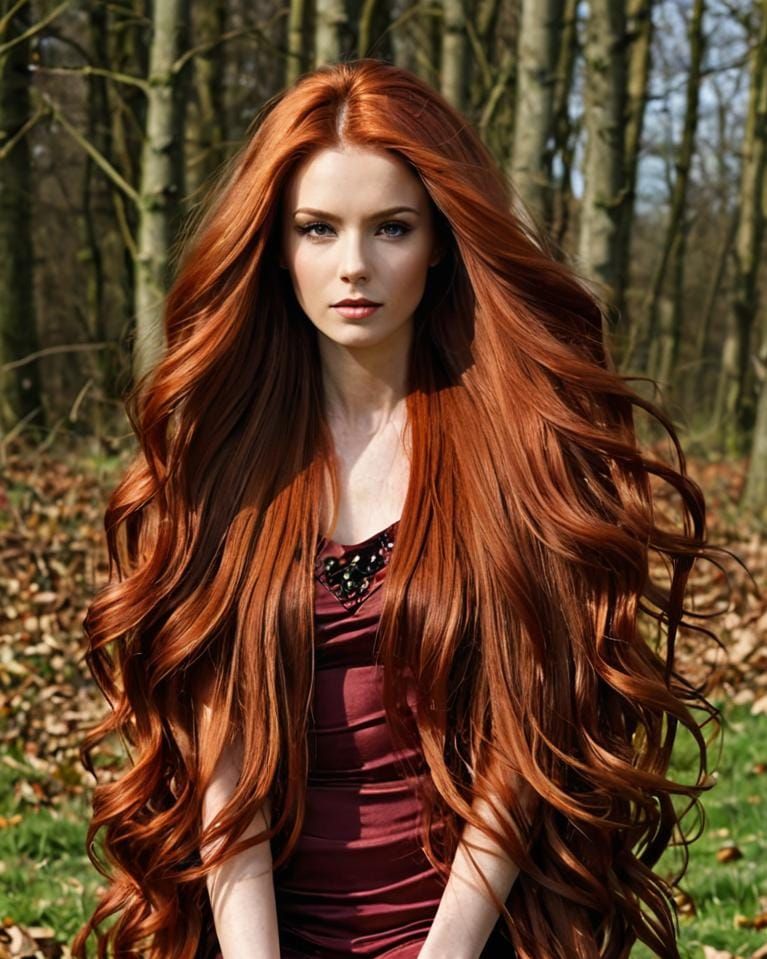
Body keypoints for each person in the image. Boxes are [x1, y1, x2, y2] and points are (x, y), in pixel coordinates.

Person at [72, 58, 721, 959]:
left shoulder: (509, 446)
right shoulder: (224, 456)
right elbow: (224, 753)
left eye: (390, 228)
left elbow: (520, 740)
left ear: (442, 240)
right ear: (275, 246)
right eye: (316, 228)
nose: (353, 266)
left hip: (472, 931)